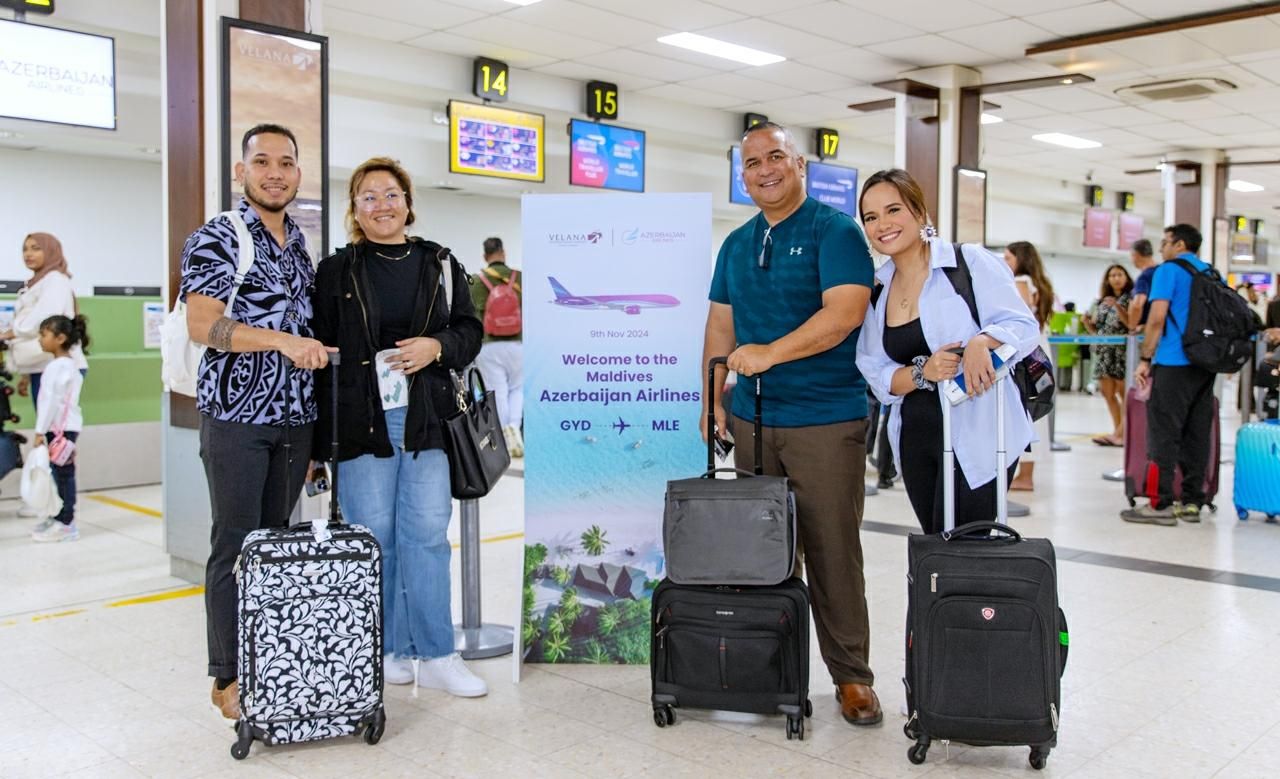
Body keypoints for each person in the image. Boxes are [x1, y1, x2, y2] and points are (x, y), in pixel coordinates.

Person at [701, 121, 881, 726]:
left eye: (775, 156)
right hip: (752, 420)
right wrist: (712, 398)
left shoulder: (837, 232)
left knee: (832, 551)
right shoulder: (736, 243)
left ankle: (852, 677)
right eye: (752, 163)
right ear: (742, 175)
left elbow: (846, 314)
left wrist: (770, 354)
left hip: (825, 420)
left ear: (800, 164)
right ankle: (769, 671)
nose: (765, 169)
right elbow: (721, 327)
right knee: (762, 555)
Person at [312, 156, 487, 697]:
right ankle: (387, 647)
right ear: (355, 210)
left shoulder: (439, 263)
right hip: (363, 421)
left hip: (426, 419)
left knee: (427, 536)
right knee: (374, 538)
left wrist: (438, 346)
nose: (381, 205)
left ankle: (437, 652)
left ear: (408, 204)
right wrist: (321, 447)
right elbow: (321, 356)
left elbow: (470, 330)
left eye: (391, 194)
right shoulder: (335, 271)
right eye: (369, 196)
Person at [180, 124, 334, 720]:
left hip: (295, 422)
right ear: (241, 172)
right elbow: (203, 327)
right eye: (262, 161)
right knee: (235, 544)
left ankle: (267, 663)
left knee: (273, 545)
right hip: (238, 417)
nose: (276, 172)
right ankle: (228, 678)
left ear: (299, 174)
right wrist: (281, 342)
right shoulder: (220, 236)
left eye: (287, 162)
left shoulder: (300, 244)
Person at [857, 169, 1039, 535]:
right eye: (871, 217)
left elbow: (1024, 327)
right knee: (936, 545)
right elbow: (875, 371)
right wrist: (925, 372)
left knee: (970, 546)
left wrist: (982, 341)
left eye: (894, 210)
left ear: (920, 213)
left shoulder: (967, 263)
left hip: (980, 432)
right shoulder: (878, 287)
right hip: (916, 436)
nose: (882, 225)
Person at [1122, 224, 1215, 526]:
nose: (1161, 248)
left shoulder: (1168, 271)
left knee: (1164, 432)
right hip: (1204, 363)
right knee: (1197, 433)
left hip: (1173, 361)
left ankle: (1160, 503)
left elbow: (1157, 317)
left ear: (1180, 244)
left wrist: (1146, 358)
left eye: (1165, 242)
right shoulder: (1211, 273)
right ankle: (1191, 501)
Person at [1, 233, 89, 519]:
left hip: (54, 368)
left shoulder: (56, 281)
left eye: (36, 248)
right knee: (51, 438)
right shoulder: (35, 283)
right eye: (25, 249)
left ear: (51, 251)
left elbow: (45, 320)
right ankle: (47, 499)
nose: (28, 254)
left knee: (54, 437)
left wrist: (10, 332)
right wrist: (26, 375)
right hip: (41, 367)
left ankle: (58, 506)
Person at [28, 314, 89, 543]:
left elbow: (50, 401)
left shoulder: (60, 367)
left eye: (44, 335)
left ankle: (67, 523)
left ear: (60, 338)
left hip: (61, 430)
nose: (40, 340)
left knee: (64, 475)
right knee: (60, 473)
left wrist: (39, 431)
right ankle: (58, 516)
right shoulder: (66, 364)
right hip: (63, 428)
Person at [1004, 241, 1055, 491]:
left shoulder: (1020, 281)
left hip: (1026, 351)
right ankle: (1026, 473)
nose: (1005, 264)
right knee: (1034, 408)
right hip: (1038, 351)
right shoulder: (1039, 283)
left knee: (1023, 408)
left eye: (1008, 259)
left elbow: (1019, 316)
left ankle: (1025, 475)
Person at [470, 236, 524, 458]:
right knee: (518, 388)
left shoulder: (475, 281)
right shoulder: (519, 278)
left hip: (488, 346)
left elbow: (469, 315)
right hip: (518, 343)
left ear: (485, 256)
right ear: (503, 253)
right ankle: (514, 426)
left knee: (497, 392)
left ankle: (502, 435)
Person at [1082, 265, 1133, 446]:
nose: (1116, 278)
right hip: (1104, 351)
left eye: (1119, 274)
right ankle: (1118, 431)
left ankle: (1124, 433)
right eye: (1112, 275)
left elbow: (1131, 324)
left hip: (1122, 351)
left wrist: (1118, 307)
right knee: (1107, 393)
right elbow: (1097, 329)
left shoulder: (1130, 298)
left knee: (1123, 392)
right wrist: (1087, 323)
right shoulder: (1102, 301)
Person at [1127, 238, 1158, 331]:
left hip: (1147, 331)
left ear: (1135, 255)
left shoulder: (1144, 277)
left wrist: (1132, 328)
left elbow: (1137, 305)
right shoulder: (1163, 272)